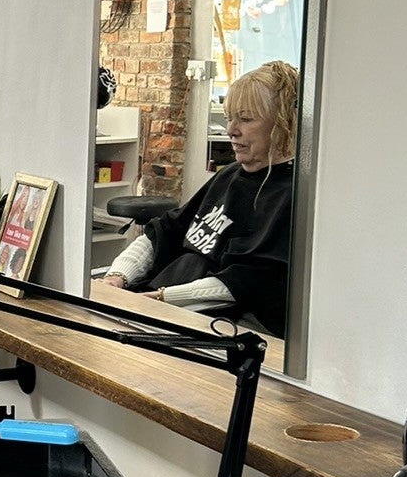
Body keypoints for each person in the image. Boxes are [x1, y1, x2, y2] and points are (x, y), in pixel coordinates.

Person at [101, 59, 297, 335]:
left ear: (282, 124)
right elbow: (166, 231)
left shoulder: (291, 195)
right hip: (159, 304)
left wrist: (160, 299)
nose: (231, 130)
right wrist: (117, 276)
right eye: (230, 117)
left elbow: (244, 283)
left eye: (246, 119)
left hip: (216, 325)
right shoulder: (229, 175)